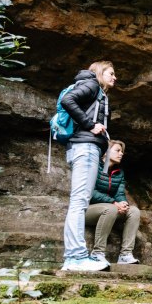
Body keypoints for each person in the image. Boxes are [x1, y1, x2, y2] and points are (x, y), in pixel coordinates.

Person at [61, 61, 115, 272]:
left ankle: (74, 257)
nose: (115, 78)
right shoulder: (92, 85)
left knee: (79, 201)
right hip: (85, 148)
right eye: (111, 73)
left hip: (87, 149)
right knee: (79, 203)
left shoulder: (96, 91)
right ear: (100, 72)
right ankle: (75, 257)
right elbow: (68, 100)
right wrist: (90, 125)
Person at [84, 140, 141, 265]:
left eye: (122, 151)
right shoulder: (93, 166)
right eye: (117, 151)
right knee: (111, 209)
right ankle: (97, 253)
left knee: (134, 211)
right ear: (106, 152)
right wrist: (114, 203)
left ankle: (125, 255)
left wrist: (123, 204)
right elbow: (90, 192)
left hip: (111, 208)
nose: (121, 154)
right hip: (86, 210)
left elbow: (120, 193)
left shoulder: (119, 172)